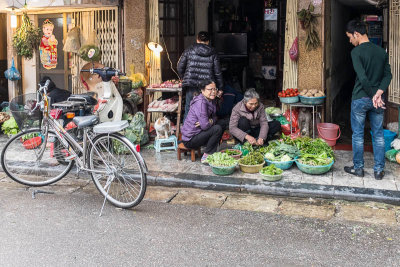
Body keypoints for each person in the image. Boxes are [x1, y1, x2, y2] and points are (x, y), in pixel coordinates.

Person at [344, 20, 392, 180]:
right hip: (378, 101)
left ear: (356, 34)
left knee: (357, 134)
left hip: (360, 99)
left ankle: (358, 169)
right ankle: (379, 171)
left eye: (350, 37)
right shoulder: (381, 52)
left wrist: (374, 95)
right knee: (378, 134)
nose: (350, 41)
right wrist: (379, 93)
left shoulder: (356, 53)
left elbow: (363, 78)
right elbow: (388, 75)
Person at [177, 31, 223, 121]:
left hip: (191, 85)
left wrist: (184, 78)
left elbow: (180, 67)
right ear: (208, 41)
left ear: (197, 39)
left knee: (189, 109)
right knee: (207, 110)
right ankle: (204, 133)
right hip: (208, 87)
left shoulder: (189, 49)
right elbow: (218, 72)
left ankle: (187, 133)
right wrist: (220, 87)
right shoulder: (213, 52)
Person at [181, 80, 224, 163]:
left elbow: (215, 117)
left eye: (215, 89)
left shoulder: (211, 100)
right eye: (210, 89)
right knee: (217, 128)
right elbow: (205, 126)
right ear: (202, 90)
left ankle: (212, 149)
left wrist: (210, 120)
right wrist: (209, 122)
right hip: (190, 139)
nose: (213, 92)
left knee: (222, 123)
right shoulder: (200, 103)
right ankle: (207, 156)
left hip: (199, 133)